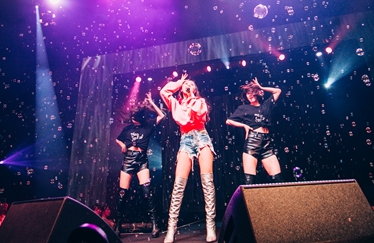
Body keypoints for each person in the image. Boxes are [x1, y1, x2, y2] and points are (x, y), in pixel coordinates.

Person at [160, 73, 216, 243]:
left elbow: (199, 113)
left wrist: (191, 96)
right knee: (178, 186)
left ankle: (211, 226)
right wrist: (179, 82)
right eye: (186, 84)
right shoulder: (176, 104)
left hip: (202, 138)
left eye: (191, 84)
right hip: (186, 140)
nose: (188, 85)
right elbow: (164, 92)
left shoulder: (200, 101)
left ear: (195, 89)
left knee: (207, 183)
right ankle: (171, 229)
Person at [113, 92, 165, 238]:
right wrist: (123, 145)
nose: (133, 120)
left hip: (142, 160)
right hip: (128, 160)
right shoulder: (128, 129)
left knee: (147, 192)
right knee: (122, 194)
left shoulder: (148, 126)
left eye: (135, 119)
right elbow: (118, 139)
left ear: (141, 118)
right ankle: (117, 226)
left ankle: (155, 225)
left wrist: (151, 102)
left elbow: (161, 115)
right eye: (132, 118)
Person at [226, 78, 282, 184]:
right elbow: (228, 121)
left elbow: (277, 91)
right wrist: (244, 126)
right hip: (252, 142)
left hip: (267, 143)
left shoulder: (266, 105)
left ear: (258, 93)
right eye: (248, 93)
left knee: (278, 179)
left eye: (252, 93)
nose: (249, 96)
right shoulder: (244, 108)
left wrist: (261, 87)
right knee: (249, 181)